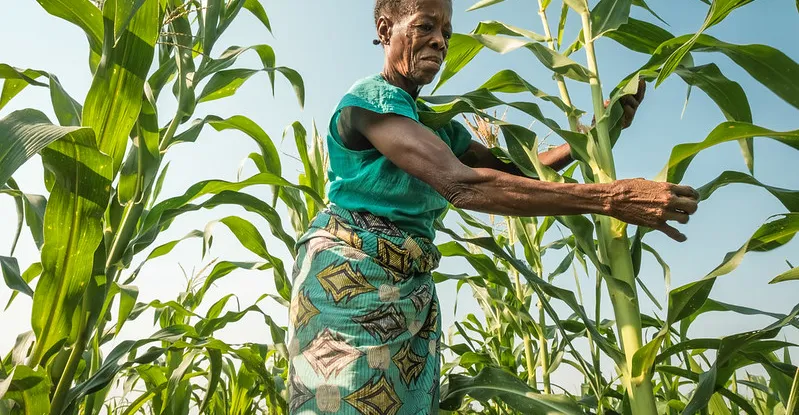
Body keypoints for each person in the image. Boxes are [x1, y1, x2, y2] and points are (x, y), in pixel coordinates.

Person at [286, 0, 700, 413]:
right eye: (425, 26)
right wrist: (611, 198)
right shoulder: (368, 102)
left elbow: (511, 170)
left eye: (446, 33)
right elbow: (461, 185)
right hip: (351, 287)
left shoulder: (437, 124)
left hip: (406, 292)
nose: (440, 41)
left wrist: (594, 134)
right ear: (384, 28)